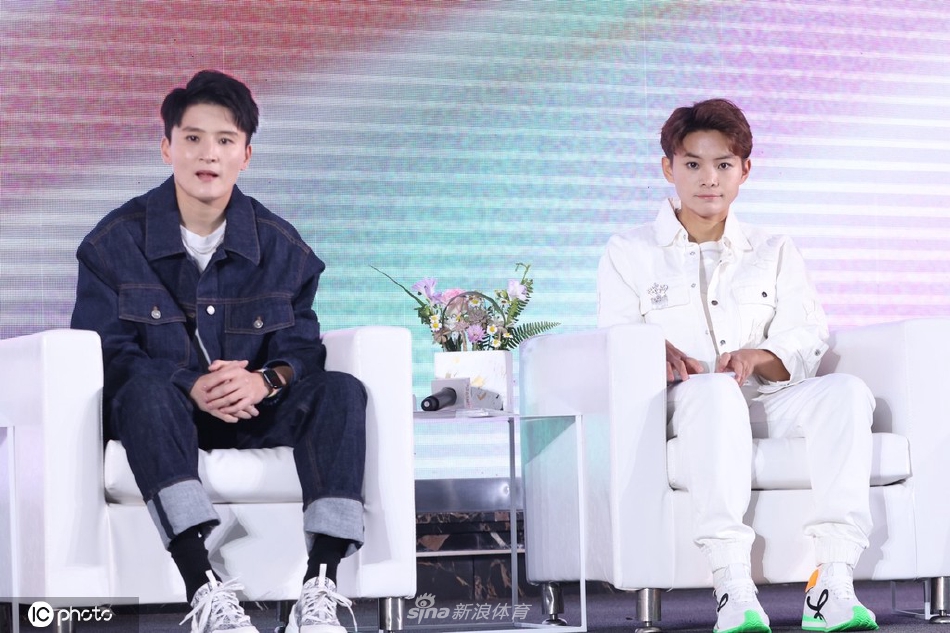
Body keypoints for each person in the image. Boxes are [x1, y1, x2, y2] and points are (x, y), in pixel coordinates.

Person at [70, 70, 366, 633]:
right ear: (167, 147)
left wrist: (264, 381)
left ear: (245, 155)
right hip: (161, 419)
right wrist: (190, 385)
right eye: (193, 138)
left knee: (342, 391)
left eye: (225, 140)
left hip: (255, 414)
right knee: (145, 389)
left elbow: (301, 350)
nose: (208, 154)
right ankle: (203, 587)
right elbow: (107, 351)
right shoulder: (113, 244)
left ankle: (321, 587)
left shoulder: (283, 247)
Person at [597, 98, 878, 633]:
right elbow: (614, 337)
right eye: (693, 164)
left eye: (724, 164)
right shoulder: (629, 251)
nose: (709, 179)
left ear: (745, 170)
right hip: (688, 403)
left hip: (767, 398)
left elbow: (807, 332)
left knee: (845, 390)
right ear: (668, 168)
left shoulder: (774, 248)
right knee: (714, 392)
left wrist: (757, 356)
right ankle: (733, 585)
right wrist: (650, 349)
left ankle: (833, 581)